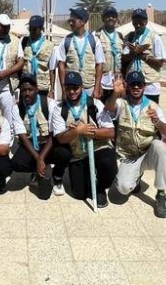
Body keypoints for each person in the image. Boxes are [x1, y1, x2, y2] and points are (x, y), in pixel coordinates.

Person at [105, 71, 166, 218]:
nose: (136, 87)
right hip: (128, 157)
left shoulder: (153, 107)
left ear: (144, 87)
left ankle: (161, 194)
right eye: (133, 84)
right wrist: (115, 93)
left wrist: (157, 122)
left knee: (160, 146)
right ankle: (135, 177)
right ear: (127, 86)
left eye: (139, 84)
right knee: (122, 189)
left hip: (147, 154)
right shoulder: (121, 103)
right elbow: (109, 108)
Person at [50, 71, 117, 207]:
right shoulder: (59, 109)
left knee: (108, 163)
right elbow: (61, 138)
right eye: (68, 88)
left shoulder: (95, 104)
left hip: (98, 148)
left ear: (82, 87)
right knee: (79, 194)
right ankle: (87, 176)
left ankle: (100, 188)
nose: (72, 92)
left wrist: (90, 131)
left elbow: (111, 132)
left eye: (75, 88)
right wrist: (77, 131)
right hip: (78, 154)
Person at [11, 75, 70, 198]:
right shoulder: (17, 108)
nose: (27, 93)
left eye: (30, 89)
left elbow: (53, 134)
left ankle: (57, 176)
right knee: (16, 163)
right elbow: (23, 137)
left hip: (49, 143)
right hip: (32, 144)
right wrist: (38, 159)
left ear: (37, 89)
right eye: (23, 90)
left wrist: (40, 158)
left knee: (65, 153)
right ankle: (37, 170)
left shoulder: (50, 104)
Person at [55, 7, 106, 103]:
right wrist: (64, 90)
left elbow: (99, 65)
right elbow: (61, 65)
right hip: (72, 89)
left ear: (83, 22)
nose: (70, 23)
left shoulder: (94, 40)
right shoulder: (66, 41)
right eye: (70, 20)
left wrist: (96, 88)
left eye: (73, 21)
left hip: (89, 88)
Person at [121, 8, 166, 103]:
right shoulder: (129, 37)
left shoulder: (154, 37)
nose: (138, 25)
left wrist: (142, 55)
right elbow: (123, 59)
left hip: (149, 85)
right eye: (135, 22)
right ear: (132, 22)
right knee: (132, 110)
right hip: (133, 84)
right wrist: (133, 53)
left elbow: (160, 63)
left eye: (141, 22)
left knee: (150, 110)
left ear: (146, 22)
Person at [21, 15, 58, 100]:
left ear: (41, 28)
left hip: (42, 87)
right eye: (30, 28)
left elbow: (52, 70)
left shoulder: (50, 46)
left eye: (34, 29)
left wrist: (52, 90)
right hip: (27, 86)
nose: (31, 30)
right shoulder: (24, 42)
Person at [95, 7, 123, 100]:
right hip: (102, 83)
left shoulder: (120, 36)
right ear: (103, 18)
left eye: (113, 16)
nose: (111, 18)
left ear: (116, 19)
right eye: (108, 16)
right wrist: (97, 85)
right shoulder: (96, 35)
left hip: (117, 82)